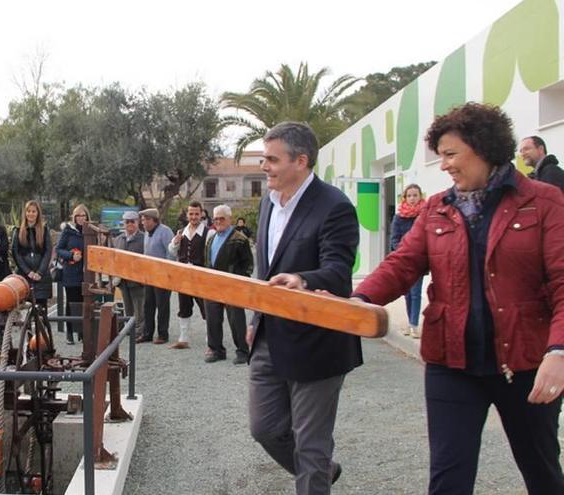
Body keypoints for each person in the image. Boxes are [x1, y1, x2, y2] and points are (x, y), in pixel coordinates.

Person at [354, 103, 564, 494]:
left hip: (526, 365)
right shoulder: (436, 208)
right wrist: (360, 298)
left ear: (484, 147)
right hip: (451, 363)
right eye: (441, 156)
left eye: (451, 154)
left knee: (542, 472)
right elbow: (403, 264)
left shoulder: (545, 201)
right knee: (448, 480)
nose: (445, 165)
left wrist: (559, 351)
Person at [248, 122, 360, 493]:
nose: (265, 166)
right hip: (269, 337)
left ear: (301, 160)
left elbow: (339, 272)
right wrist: (255, 318)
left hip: (317, 343)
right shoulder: (267, 202)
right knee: (264, 429)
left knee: (311, 446)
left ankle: (315, 474)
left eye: (272, 159)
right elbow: (264, 270)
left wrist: (304, 279)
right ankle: (322, 471)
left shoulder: (335, 207)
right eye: (264, 158)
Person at [204, 205, 253, 365]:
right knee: (212, 319)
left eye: (221, 218)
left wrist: (239, 281)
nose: (218, 221)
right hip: (212, 285)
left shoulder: (240, 239)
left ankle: (242, 351)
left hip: (232, 286)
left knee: (236, 319)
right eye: (215, 218)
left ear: (229, 219)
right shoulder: (211, 239)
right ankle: (216, 350)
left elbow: (248, 265)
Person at [166, 201, 208, 350]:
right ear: (187, 215)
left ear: (201, 214)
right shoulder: (181, 232)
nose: (194, 216)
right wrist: (176, 243)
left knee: (206, 308)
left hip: (201, 276)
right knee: (184, 306)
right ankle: (183, 339)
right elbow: (171, 251)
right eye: (191, 214)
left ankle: (211, 339)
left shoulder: (208, 232)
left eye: (196, 214)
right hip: (183, 276)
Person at [389, 184, 426, 338]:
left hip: (419, 260)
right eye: (409, 195)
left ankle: (413, 325)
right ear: (405, 198)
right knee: (408, 293)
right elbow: (394, 239)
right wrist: (404, 252)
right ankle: (410, 321)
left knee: (416, 293)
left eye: (415, 195)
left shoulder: (424, 215)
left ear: (420, 197)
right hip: (404, 260)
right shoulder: (399, 217)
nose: (412, 198)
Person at [136, 208, 175, 344]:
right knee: (148, 305)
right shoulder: (147, 233)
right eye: (142, 220)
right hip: (149, 274)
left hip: (162, 275)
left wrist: (167, 272)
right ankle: (147, 333)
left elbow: (171, 253)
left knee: (162, 305)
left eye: (146, 220)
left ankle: (163, 334)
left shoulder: (165, 231)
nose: (143, 223)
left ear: (154, 220)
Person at [56, 204, 89, 344]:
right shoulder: (68, 231)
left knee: (84, 302)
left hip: (86, 273)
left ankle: (82, 332)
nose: (81, 218)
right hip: (70, 273)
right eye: (78, 215)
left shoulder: (90, 230)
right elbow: (59, 249)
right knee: (71, 302)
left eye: (83, 215)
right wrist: (70, 255)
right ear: (74, 217)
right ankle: (70, 332)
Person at [12, 201, 52, 310]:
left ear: (38, 213)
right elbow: (15, 253)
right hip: (24, 276)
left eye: (34, 211)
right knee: (25, 312)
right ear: (25, 213)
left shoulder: (44, 230)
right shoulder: (18, 231)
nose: (31, 214)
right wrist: (28, 272)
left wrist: (40, 272)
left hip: (41, 277)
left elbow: (48, 251)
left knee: (41, 311)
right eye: (28, 211)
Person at [113, 210, 146, 341]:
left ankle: (139, 331)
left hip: (137, 280)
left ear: (137, 223)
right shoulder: (119, 239)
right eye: (127, 222)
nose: (130, 224)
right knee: (127, 307)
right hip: (123, 280)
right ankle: (130, 329)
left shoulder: (144, 238)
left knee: (139, 307)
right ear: (124, 223)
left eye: (133, 221)